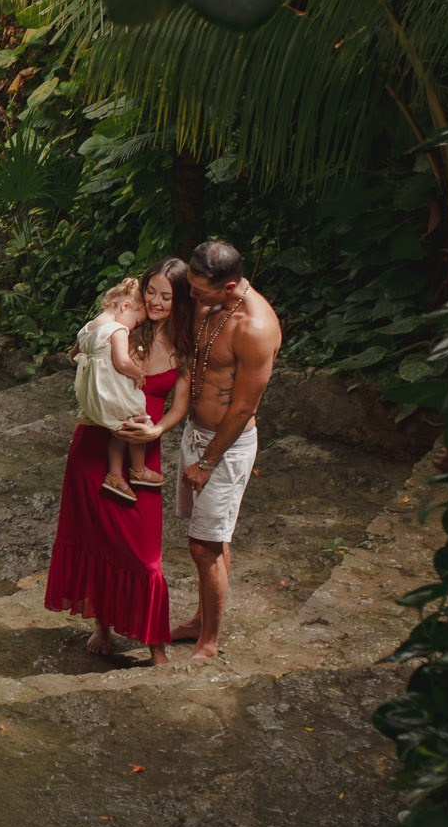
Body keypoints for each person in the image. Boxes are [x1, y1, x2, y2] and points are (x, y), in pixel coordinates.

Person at [45, 259, 194, 666]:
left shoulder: (185, 343)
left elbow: (180, 404)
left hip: (141, 452)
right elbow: (80, 349)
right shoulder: (125, 326)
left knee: (144, 553)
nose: (157, 301)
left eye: (167, 295)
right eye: (151, 292)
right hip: (94, 443)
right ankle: (102, 625)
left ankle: (155, 643)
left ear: (180, 298)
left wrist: (156, 431)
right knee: (96, 538)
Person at [171, 239, 281, 660]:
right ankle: (201, 621)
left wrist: (208, 462)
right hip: (196, 434)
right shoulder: (212, 303)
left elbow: (244, 406)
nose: (193, 295)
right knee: (214, 540)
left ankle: (209, 643)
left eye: (200, 291)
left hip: (225, 448)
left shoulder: (255, 327)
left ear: (231, 286)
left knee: (203, 546)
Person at [74, 277, 167, 502]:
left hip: (92, 396)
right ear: (125, 307)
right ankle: (138, 469)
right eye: (136, 321)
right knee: (137, 422)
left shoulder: (87, 328)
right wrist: (139, 374)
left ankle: (115, 476)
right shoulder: (117, 329)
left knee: (119, 431)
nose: (134, 326)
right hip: (112, 392)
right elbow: (122, 362)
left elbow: (74, 355)